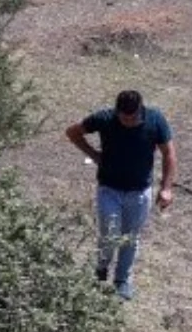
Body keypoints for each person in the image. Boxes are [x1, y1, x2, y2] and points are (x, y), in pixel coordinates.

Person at [65, 89, 176, 301]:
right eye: (122, 117)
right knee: (109, 231)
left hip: (139, 191)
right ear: (117, 111)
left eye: (131, 118)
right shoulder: (105, 118)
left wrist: (167, 188)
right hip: (109, 188)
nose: (126, 122)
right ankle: (100, 269)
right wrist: (94, 154)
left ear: (140, 111)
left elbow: (169, 153)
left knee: (130, 238)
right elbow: (72, 132)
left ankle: (122, 280)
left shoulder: (155, 120)